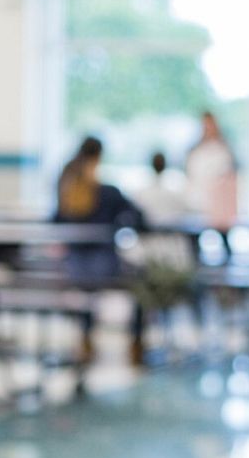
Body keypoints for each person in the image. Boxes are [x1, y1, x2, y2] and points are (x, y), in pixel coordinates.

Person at [52, 136, 146, 364]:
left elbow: (54, 221)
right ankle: (136, 342)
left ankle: (86, 338)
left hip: (73, 267)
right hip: (103, 267)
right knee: (142, 279)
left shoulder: (67, 191)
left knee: (86, 290)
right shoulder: (108, 193)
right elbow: (139, 218)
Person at [184, 111, 239, 231]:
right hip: (197, 203)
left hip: (221, 206)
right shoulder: (195, 150)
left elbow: (231, 175)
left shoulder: (225, 149)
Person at [133, 151, 191, 225]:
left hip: (148, 234)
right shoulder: (175, 191)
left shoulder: (141, 193)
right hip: (172, 233)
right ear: (165, 164)